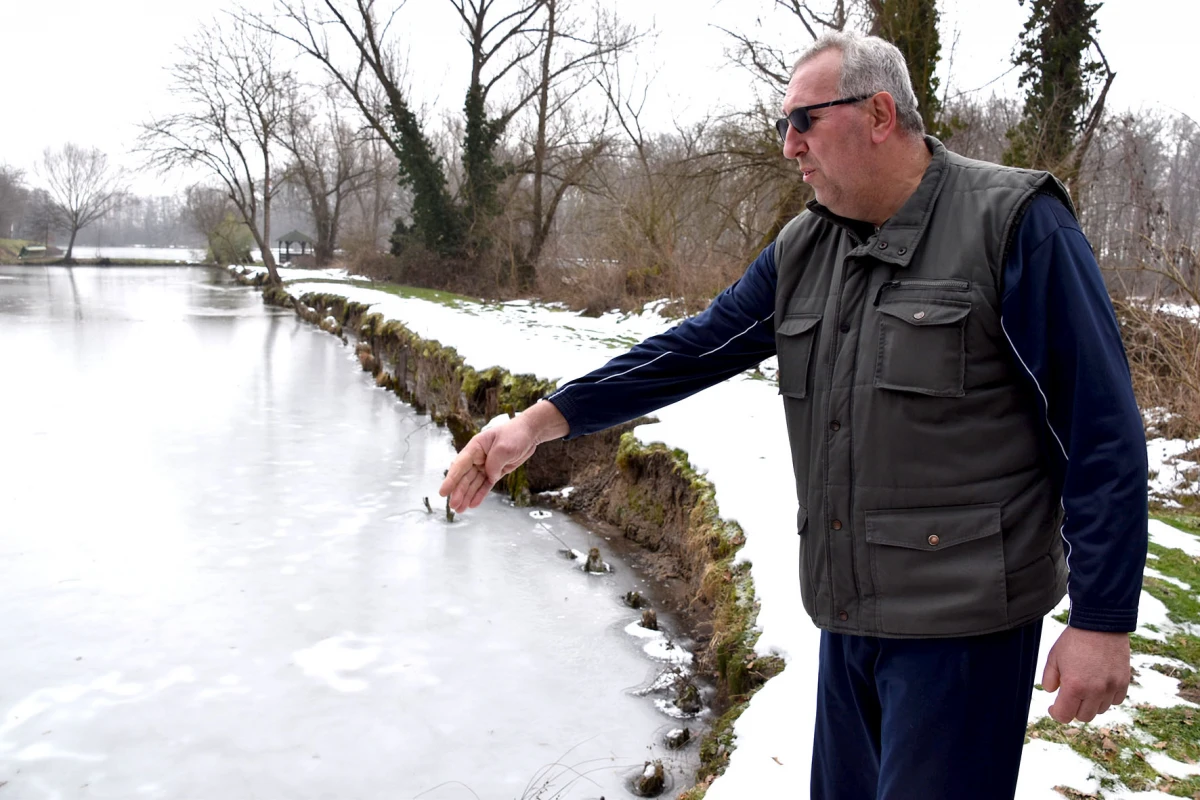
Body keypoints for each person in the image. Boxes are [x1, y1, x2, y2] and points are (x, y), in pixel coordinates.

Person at [440, 31, 1148, 800]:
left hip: (964, 631)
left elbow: (1099, 432)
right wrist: (536, 424)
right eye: (784, 125)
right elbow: (692, 348)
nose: (788, 146)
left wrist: (1102, 617)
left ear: (879, 114)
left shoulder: (1014, 224)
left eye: (804, 121)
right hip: (848, 621)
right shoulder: (806, 247)